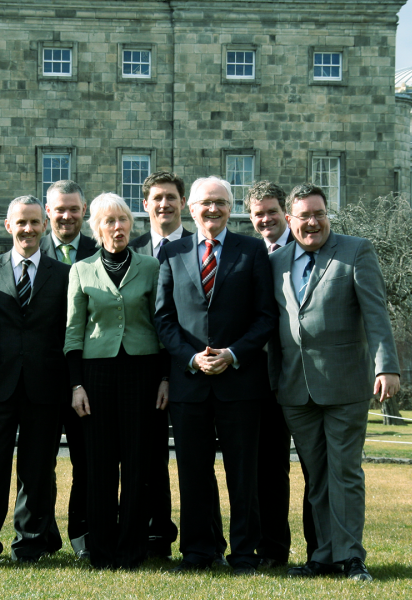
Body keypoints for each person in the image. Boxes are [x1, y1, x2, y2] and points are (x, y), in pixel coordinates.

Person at [269, 183, 400, 582]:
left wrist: (386, 366)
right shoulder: (275, 262)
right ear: (289, 221)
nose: (313, 222)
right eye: (304, 216)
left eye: (319, 214)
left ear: (328, 215)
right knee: (316, 476)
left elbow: (376, 313)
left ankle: (351, 558)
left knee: (344, 472)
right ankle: (322, 556)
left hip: (345, 384)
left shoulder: (355, 250)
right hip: (295, 386)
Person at [154, 176, 277, 576]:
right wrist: (191, 359)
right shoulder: (172, 252)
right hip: (190, 383)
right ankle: (198, 550)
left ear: (231, 208)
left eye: (221, 202)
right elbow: (163, 318)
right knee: (193, 473)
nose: (213, 209)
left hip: (240, 383)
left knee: (243, 475)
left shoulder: (253, 250)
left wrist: (233, 353)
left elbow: (266, 316)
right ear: (191, 208)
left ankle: (244, 553)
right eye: (205, 202)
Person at [0, 195, 70, 565]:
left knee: (37, 468)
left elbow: (64, 332)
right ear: (8, 226)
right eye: (20, 222)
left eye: (34, 222)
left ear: (45, 226)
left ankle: (30, 543)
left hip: (45, 385)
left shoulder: (63, 274)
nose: (28, 229)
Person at [64, 192, 165, 570]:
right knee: (99, 466)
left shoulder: (152, 267)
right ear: (97, 228)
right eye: (109, 221)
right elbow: (73, 333)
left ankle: (132, 550)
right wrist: (76, 385)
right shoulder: (81, 270)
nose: (117, 227)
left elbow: (162, 326)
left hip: (143, 373)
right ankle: (102, 551)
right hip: (96, 376)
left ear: (131, 224)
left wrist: (166, 378)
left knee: (138, 465)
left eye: (122, 220)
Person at [130, 171, 227, 562]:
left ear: (182, 203)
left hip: (189, 375)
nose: (164, 204)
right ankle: (153, 539)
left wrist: (175, 371)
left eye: (171, 197)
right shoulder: (130, 249)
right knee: (147, 461)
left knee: (199, 466)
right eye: (157, 198)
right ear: (146, 205)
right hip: (138, 377)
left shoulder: (199, 246)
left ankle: (206, 544)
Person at [245, 180, 317, 567]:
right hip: (265, 385)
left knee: (315, 471)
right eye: (258, 214)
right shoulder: (252, 254)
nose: (266, 220)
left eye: (272, 212)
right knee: (269, 473)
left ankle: (321, 550)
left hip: (308, 379)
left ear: (285, 214)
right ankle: (272, 551)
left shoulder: (308, 247)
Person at [39, 179, 97, 558]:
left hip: (87, 380)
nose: (66, 215)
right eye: (59, 209)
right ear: (48, 213)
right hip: (40, 378)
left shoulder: (100, 249)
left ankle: (83, 536)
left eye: (74, 209)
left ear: (84, 212)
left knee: (87, 461)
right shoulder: (27, 248)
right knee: (38, 463)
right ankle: (40, 537)